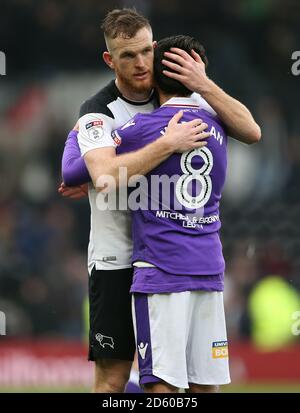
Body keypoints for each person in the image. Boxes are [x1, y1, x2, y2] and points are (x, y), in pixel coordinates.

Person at [60, 8, 261, 393]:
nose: (139, 64)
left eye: (145, 52)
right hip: (117, 257)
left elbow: (251, 130)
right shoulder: (99, 111)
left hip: (170, 257)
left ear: (155, 48)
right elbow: (98, 174)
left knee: (181, 383)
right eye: (127, 56)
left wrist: (204, 84)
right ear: (110, 60)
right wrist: (165, 144)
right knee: (115, 378)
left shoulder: (180, 96)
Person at [93, 34, 234, 393]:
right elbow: (254, 129)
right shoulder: (220, 123)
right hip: (208, 269)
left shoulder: (142, 129)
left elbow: (87, 171)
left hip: (161, 271)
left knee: (163, 387)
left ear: (155, 75)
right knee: (205, 386)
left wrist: (85, 167)